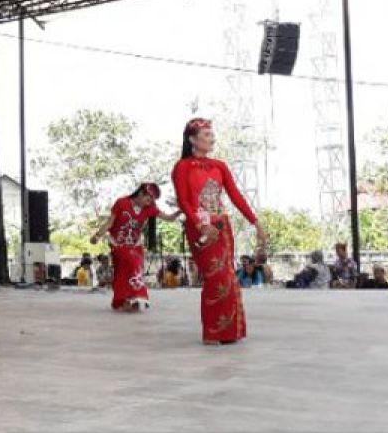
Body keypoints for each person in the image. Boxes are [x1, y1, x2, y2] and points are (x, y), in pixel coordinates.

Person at [171, 118, 269, 345]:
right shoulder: (182, 167)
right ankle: (213, 332)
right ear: (192, 139)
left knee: (227, 277)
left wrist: (257, 224)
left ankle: (229, 331)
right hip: (201, 229)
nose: (211, 138)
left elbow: (235, 196)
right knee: (215, 277)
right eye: (206, 134)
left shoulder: (220, 166)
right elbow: (184, 201)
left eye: (211, 134)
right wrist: (199, 224)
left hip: (222, 228)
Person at [90, 183, 180, 311]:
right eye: (148, 199)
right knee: (127, 267)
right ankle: (131, 297)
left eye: (152, 201)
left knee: (131, 267)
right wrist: (98, 235)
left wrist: (181, 210)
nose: (149, 203)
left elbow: (169, 218)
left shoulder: (150, 208)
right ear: (140, 193)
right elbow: (110, 223)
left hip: (135, 244)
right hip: (118, 243)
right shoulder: (121, 203)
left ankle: (129, 299)